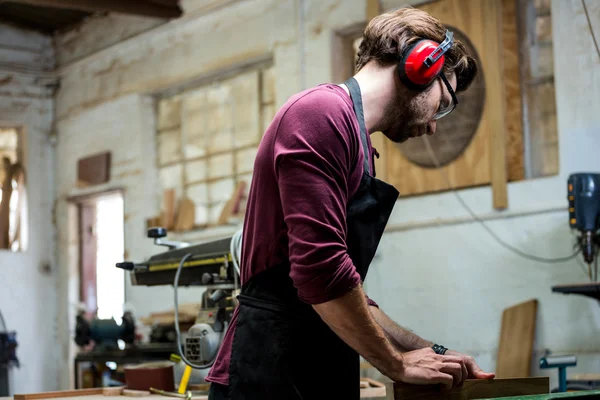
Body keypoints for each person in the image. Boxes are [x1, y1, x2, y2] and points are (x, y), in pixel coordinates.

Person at [206, 6, 495, 400]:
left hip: (316, 367)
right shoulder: (319, 115)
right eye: (443, 103)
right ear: (420, 68)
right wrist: (395, 364)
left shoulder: (356, 142)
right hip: (269, 372)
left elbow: (346, 285)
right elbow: (320, 270)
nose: (433, 124)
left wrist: (426, 350)